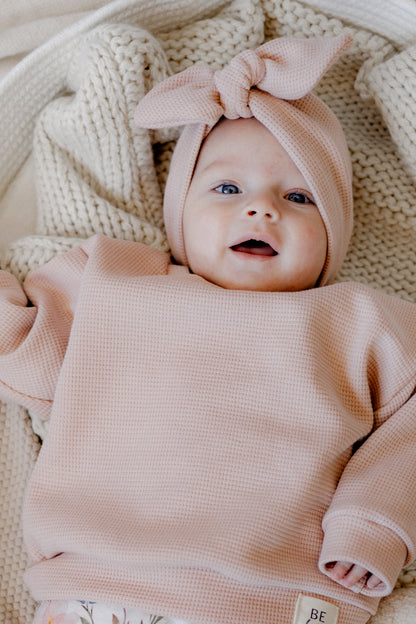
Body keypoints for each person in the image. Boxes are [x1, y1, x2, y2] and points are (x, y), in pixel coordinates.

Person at [0, 34, 415, 624]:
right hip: (101, 582)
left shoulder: (360, 322)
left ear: (334, 239)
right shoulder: (118, 283)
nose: (262, 209)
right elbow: (22, 347)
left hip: (276, 597)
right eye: (227, 188)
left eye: (299, 197)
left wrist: (375, 524)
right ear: (180, 217)